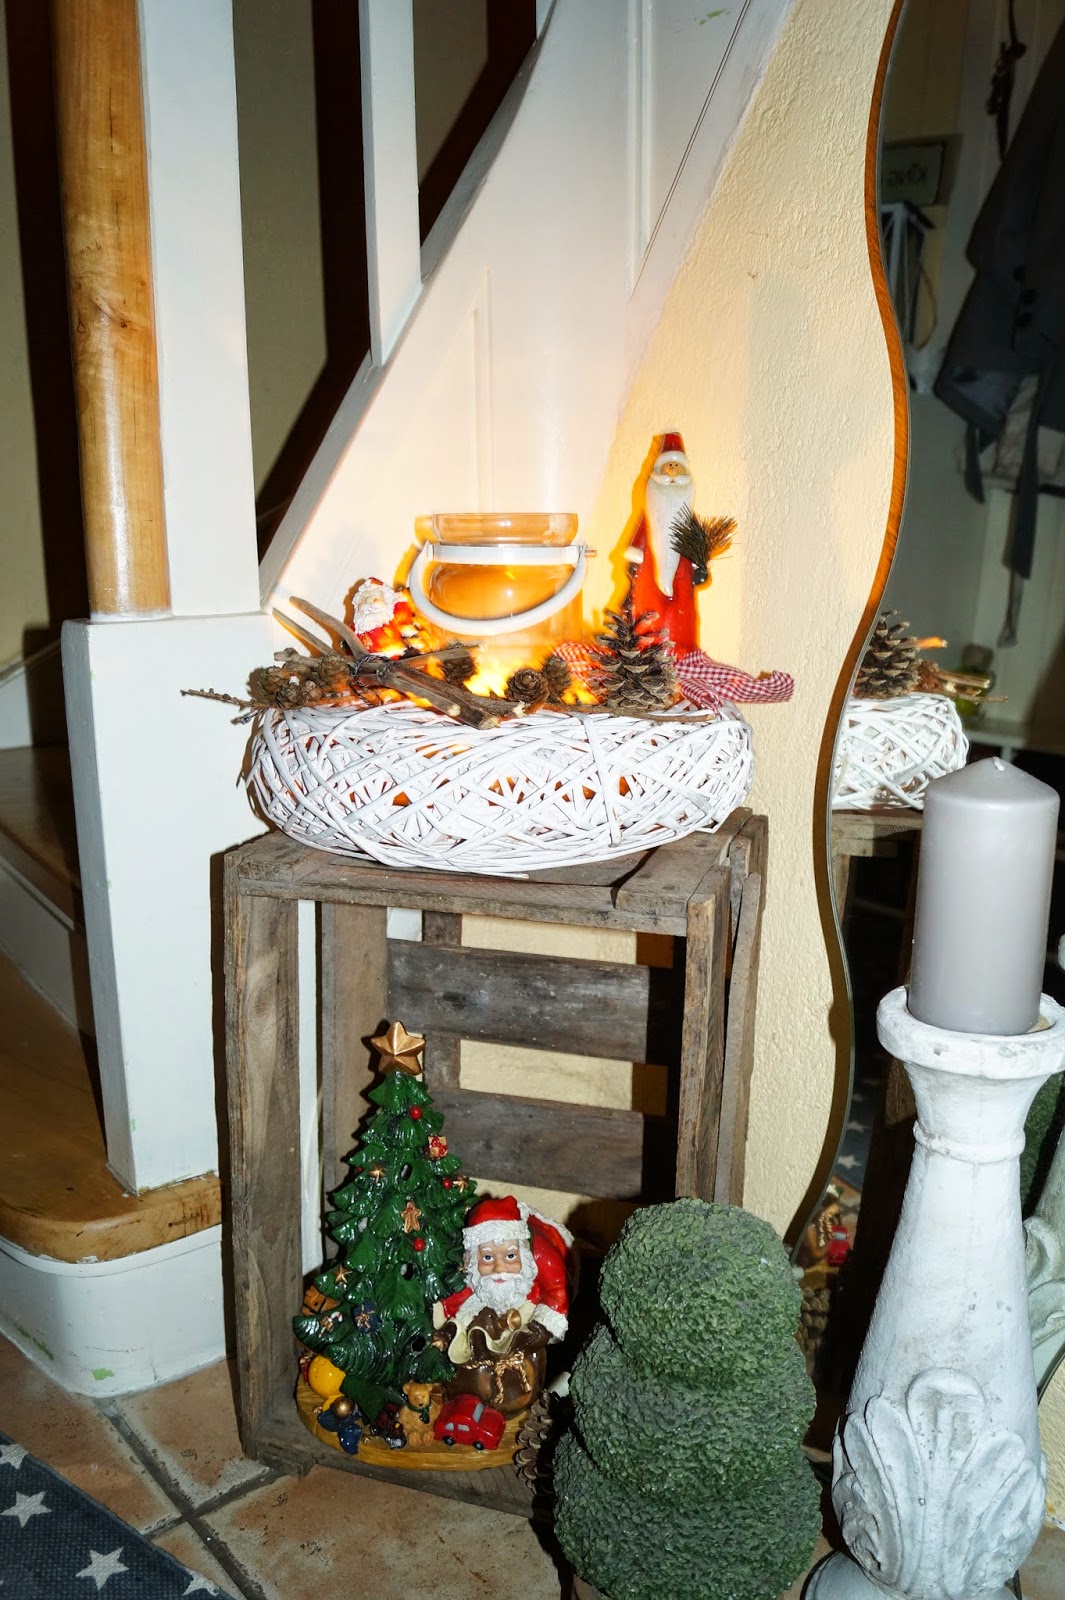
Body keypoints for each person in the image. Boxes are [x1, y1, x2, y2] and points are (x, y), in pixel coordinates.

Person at [432, 1196, 572, 1417]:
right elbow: (452, 1305)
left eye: (510, 1256)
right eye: (487, 1257)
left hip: (522, 1332)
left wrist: (542, 1328)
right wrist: (447, 1330)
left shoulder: (535, 1273)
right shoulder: (472, 1286)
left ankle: (515, 1405)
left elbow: (556, 1290)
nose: (499, 1268)